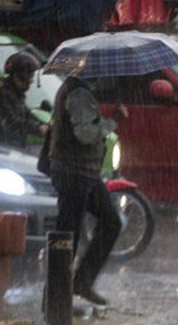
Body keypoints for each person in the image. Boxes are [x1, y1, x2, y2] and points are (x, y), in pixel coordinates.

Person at [47, 75, 127, 306]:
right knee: (67, 236)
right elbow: (85, 135)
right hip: (73, 172)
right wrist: (113, 121)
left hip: (85, 172)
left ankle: (81, 282)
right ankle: (54, 301)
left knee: (111, 222)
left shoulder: (82, 92)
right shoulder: (79, 94)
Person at [0, 52, 50, 149]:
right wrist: (37, 129)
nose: (32, 81)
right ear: (21, 75)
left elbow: (27, 114)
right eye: (30, 76)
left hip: (13, 147)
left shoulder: (16, 92)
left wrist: (45, 125)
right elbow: (8, 121)